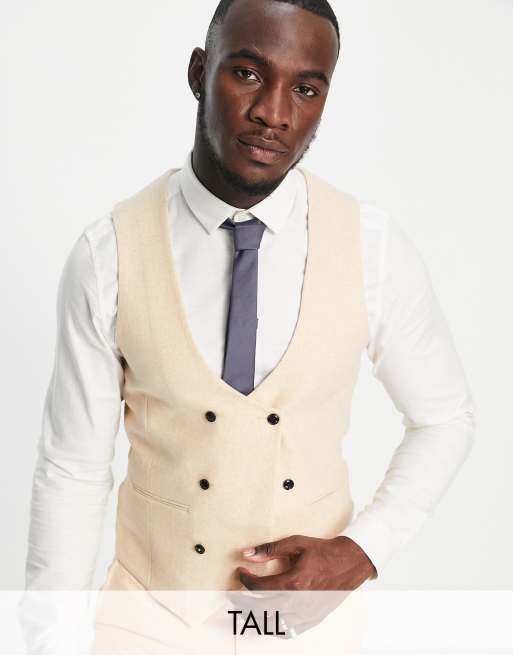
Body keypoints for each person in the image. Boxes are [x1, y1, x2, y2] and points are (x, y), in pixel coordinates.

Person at [18, 0, 476, 653]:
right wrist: (49, 643)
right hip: (147, 625)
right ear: (198, 73)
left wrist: (361, 552)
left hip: (312, 635)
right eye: (248, 74)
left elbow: (445, 418)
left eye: (306, 88)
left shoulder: (371, 247)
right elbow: (72, 470)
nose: (274, 112)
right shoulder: (110, 253)